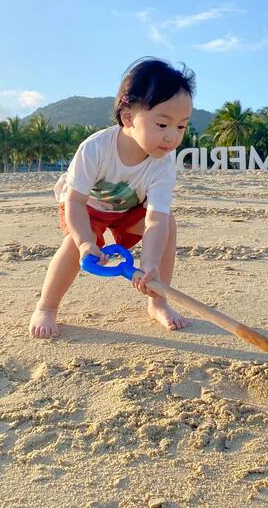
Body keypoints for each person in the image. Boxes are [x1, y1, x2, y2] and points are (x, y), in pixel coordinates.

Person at [29, 57, 195, 339]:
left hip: (130, 210)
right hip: (86, 207)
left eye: (181, 127)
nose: (172, 137)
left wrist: (150, 263)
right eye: (162, 124)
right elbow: (75, 202)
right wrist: (85, 243)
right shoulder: (95, 148)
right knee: (73, 244)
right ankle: (47, 306)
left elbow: (156, 219)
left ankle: (158, 302)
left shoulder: (163, 164)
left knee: (170, 226)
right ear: (128, 116)